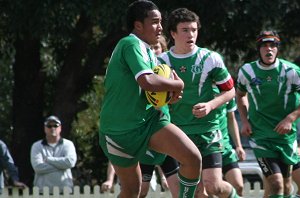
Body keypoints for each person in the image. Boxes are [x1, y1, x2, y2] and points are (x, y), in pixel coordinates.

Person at [99, 1, 202, 197]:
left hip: (148, 121)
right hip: (119, 130)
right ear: (138, 25)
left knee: (192, 157)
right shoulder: (130, 44)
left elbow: (151, 94)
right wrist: (178, 86)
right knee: (131, 191)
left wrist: (168, 98)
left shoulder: (149, 52)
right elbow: (147, 82)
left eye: (161, 22)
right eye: (155, 22)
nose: (161, 27)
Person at [158, 7, 237, 198]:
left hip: (208, 130)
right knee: (198, 192)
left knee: (214, 186)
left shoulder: (211, 59)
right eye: (185, 30)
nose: (191, 34)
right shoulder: (160, 62)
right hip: (178, 134)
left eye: (194, 30)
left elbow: (230, 90)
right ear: (173, 33)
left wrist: (210, 105)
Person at [236, 30, 300, 198]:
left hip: (285, 138)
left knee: (286, 188)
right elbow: (240, 95)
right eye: (264, 46)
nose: (269, 49)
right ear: (259, 49)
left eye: (273, 45)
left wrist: (290, 118)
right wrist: (244, 121)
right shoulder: (247, 71)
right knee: (276, 184)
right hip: (261, 137)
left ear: (277, 48)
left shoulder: (291, 71)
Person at [30, 115, 77, 193]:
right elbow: (38, 167)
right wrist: (62, 166)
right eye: (49, 126)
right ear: (45, 128)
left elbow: (70, 162)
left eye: (55, 125)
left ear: (60, 127)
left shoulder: (68, 144)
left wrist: (49, 159)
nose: (52, 128)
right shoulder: (37, 146)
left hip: (65, 191)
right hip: (42, 192)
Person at [219, 97, 246, 196]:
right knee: (211, 189)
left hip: (225, 148)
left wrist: (239, 146)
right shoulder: (197, 91)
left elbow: (231, 118)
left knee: (238, 186)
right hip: (205, 148)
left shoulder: (226, 92)